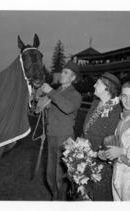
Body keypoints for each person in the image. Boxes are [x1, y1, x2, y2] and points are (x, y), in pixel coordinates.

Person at [40, 60, 82, 200]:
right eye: (62, 72)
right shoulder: (56, 91)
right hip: (51, 137)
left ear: (73, 78)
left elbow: (68, 108)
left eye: (66, 73)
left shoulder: (75, 95)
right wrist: (40, 101)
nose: (62, 75)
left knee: (61, 178)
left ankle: (61, 201)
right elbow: (37, 109)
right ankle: (55, 198)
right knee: (49, 176)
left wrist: (50, 92)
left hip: (65, 139)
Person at [82, 72, 122, 201]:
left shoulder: (116, 109)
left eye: (97, 83)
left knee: (99, 198)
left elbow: (110, 138)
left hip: (101, 162)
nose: (94, 85)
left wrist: (96, 153)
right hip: (85, 157)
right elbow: (86, 131)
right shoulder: (95, 104)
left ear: (107, 87)